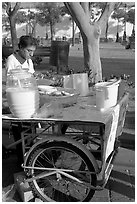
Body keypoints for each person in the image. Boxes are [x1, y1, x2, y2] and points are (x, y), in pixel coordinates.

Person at [5, 35, 37, 165]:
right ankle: (21, 161)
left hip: (29, 101)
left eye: (33, 51)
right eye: (29, 51)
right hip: (18, 102)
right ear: (20, 48)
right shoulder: (11, 60)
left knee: (30, 131)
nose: (31, 54)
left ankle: (32, 157)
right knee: (20, 132)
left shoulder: (29, 61)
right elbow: (10, 82)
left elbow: (33, 77)